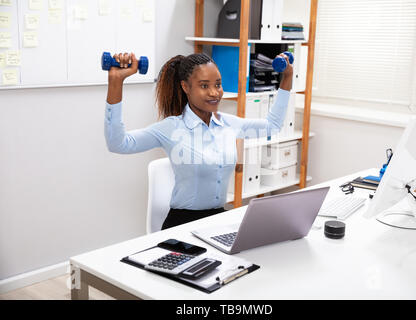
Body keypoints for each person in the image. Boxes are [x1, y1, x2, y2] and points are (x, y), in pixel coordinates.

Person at [105, 51, 293, 230]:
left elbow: (272, 125)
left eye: (217, 85)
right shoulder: (171, 128)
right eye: (204, 86)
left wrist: (287, 78)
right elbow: (118, 143)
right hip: (182, 225)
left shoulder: (228, 124)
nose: (214, 93)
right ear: (186, 87)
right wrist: (116, 82)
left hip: (218, 219)